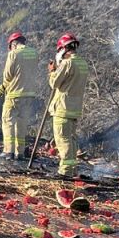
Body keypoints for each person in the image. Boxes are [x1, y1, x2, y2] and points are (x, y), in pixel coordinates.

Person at [47, 32, 89, 179]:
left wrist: (52, 71)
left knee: (63, 140)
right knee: (70, 139)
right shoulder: (82, 63)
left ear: (63, 49)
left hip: (63, 108)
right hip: (74, 108)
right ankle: (71, 170)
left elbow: (55, 83)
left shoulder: (67, 63)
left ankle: (65, 171)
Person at [0, 31, 43, 160]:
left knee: (8, 122)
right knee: (22, 124)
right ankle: (19, 153)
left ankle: (8, 152)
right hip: (29, 95)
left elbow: (8, 75)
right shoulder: (34, 53)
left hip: (14, 94)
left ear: (13, 44)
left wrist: (2, 87)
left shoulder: (14, 54)